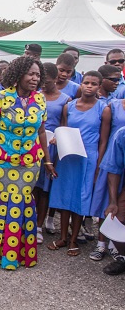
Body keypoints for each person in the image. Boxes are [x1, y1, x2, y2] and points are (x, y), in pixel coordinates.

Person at [0, 56, 56, 270]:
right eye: (31, 74)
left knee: (22, 204)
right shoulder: (1, 97)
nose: (35, 78)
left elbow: (41, 131)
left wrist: (47, 160)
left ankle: (16, 253)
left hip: (30, 163)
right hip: (0, 162)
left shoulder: (40, 100)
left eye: (38, 75)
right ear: (18, 75)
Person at [48, 71, 110, 257]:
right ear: (80, 84)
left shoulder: (103, 109)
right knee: (64, 195)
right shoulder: (70, 106)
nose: (89, 86)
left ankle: (74, 238)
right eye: (86, 82)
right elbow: (64, 129)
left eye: (93, 84)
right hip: (68, 155)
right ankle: (63, 236)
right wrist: (57, 140)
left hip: (88, 157)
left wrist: (98, 165)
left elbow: (104, 141)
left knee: (81, 197)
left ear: (99, 87)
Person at [33, 63, 70, 244]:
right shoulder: (36, 96)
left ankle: (40, 225)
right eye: (41, 81)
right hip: (34, 144)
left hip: (53, 146)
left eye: (47, 81)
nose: (43, 84)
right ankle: (30, 222)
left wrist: (59, 136)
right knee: (33, 188)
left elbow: (66, 124)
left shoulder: (65, 99)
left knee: (45, 189)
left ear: (56, 79)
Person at [89, 95, 125, 261]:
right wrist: (99, 162)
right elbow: (104, 135)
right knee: (109, 203)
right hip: (114, 159)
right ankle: (101, 243)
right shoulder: (114, 106)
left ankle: (117, 247)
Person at [100, 127, 125, 275]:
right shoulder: (122, 134)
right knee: (116, 218)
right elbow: (114, 169)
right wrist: (113, 202)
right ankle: (123, 257)